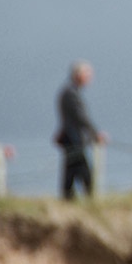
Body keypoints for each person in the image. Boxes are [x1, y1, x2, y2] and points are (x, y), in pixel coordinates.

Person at [55, 60, 107, 200]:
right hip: (74, 140)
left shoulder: (70, 92)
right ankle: (90, 202)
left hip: (73, 139)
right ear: (78, 75)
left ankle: (68, 202)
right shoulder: (71, 94)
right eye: (88, 74)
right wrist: (95, 134)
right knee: (85, 175)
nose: (90, 78)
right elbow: (81, 118)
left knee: (71, 174)